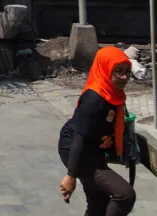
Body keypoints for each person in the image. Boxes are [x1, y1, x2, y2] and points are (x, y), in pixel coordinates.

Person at [58, 46, 136, 214]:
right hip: (76, 150)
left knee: (98, 204)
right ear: (105, 70)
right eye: (118, 71)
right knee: (124, 194)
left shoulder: (114, 93)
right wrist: (71, 175)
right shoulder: (94, 99)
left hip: (94, 150)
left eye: (127, 71)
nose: (124, 77)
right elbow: (79, 138)